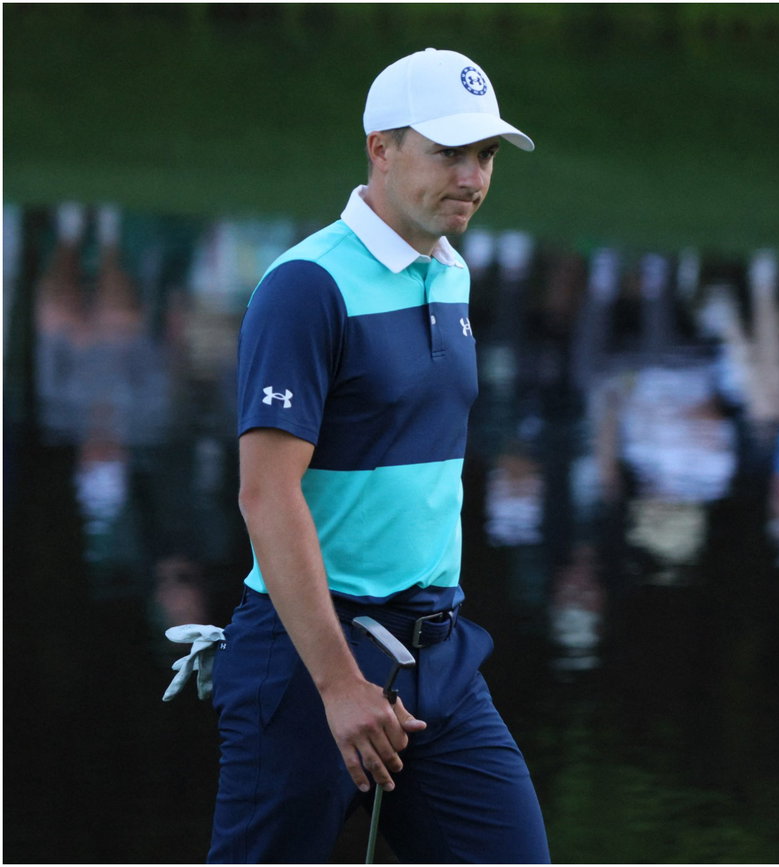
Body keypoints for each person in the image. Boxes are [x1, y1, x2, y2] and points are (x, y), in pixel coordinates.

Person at [210, 48, 548, 862]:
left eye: (486, 154)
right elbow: (265, 494)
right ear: (381, 148)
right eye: (448, 152)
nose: (472, 177)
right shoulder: (306, 286)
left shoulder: (451, 273)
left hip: (438, 652)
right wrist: (338, 683)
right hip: (308, 660)